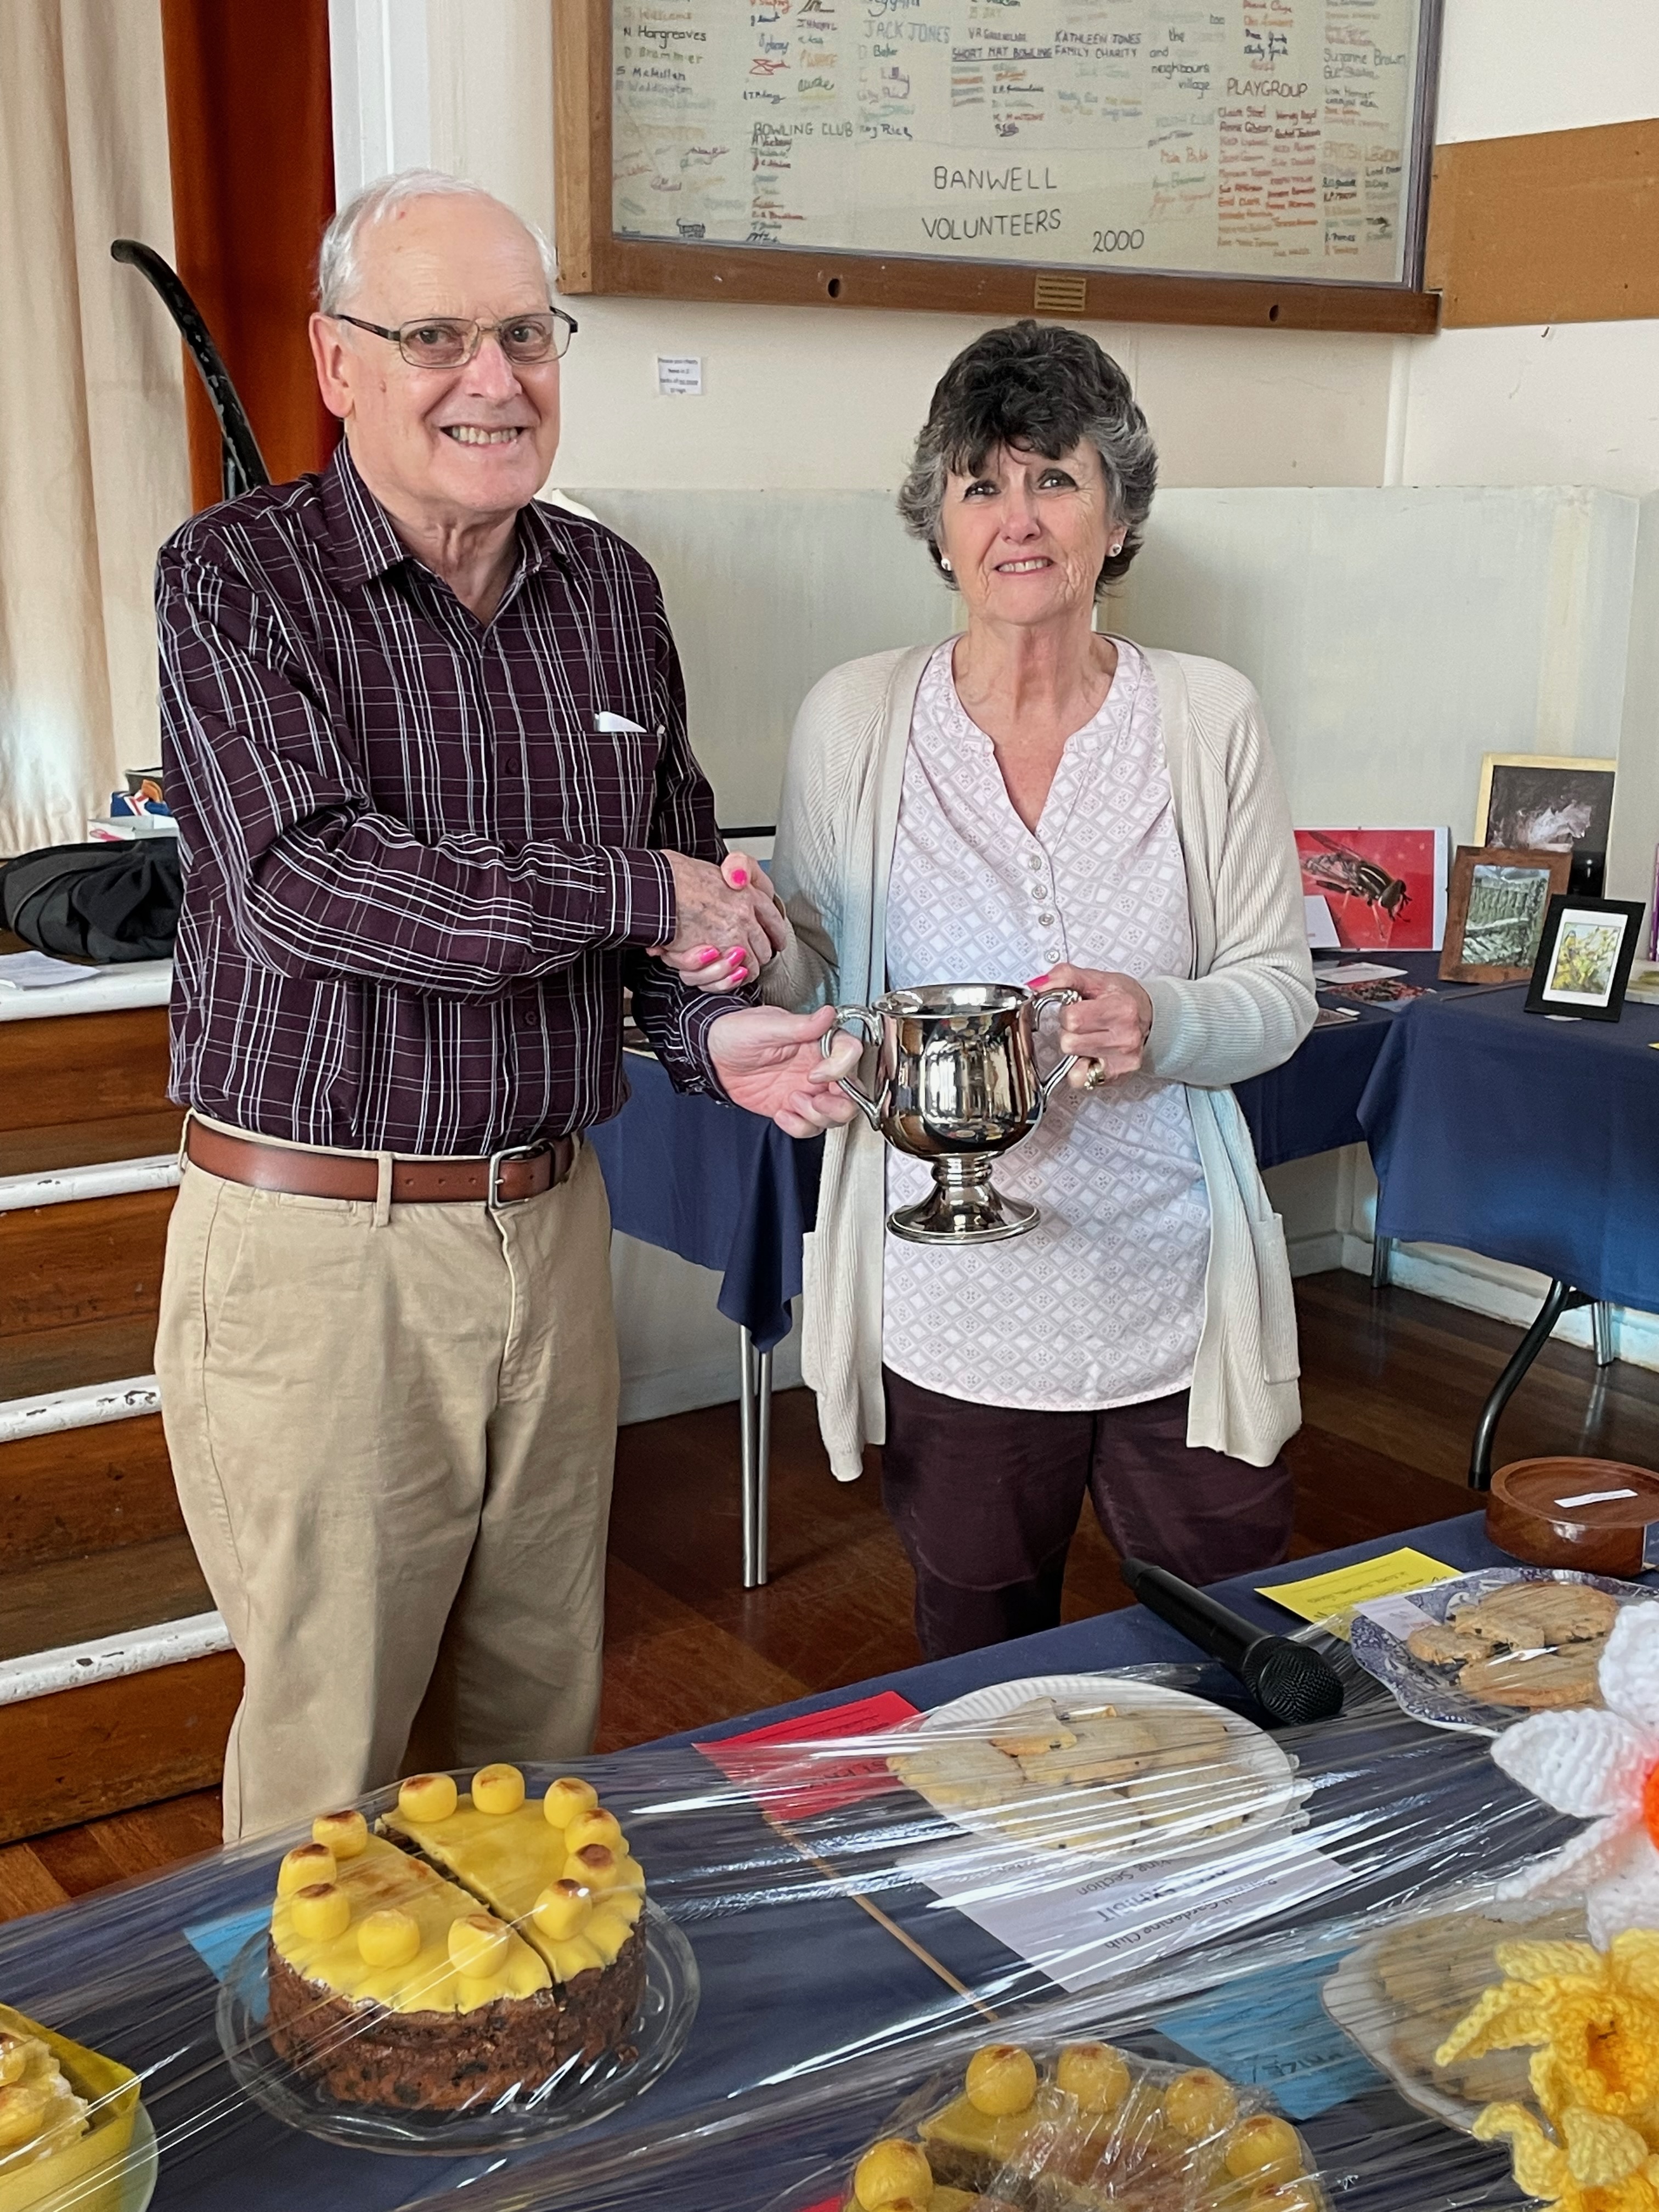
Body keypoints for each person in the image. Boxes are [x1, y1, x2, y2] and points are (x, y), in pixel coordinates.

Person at [153, 170, 854, 1839]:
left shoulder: (609, 589)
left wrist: (714, 1033)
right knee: (331, 1770)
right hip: (327, 1251)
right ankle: (316, 2022)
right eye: (438, 337)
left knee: (536, 1737)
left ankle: (522, 2009)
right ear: (337, 362)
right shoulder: (236, 580)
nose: (496, 378)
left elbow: (671, 899)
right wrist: (639, 895)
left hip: (551, 1224)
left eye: (528, 335)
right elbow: (311, 882)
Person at [764, 320, 1316, 1661]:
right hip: (952, 1302)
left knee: (1233, 1649)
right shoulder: (855, 717)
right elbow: (815, 975)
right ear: (939, 524)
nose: (1018, 518)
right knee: (982, 1660)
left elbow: (1281, 990)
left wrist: (1167, 1019)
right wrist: (741, 945)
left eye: (1056, 479)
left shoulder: (1206, 717)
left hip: (1175, 1290)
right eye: (982, 484)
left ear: (1116, 519)